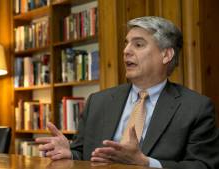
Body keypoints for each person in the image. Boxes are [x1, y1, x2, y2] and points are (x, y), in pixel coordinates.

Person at [35, 16, 219, 169]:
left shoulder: (195, 108)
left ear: (166, 55)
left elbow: (203, 166)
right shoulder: (98, 102)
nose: (126, 51)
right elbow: (83, 153)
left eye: (138, 45)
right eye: (126, 44)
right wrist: (70, 153)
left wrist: (146, 163)